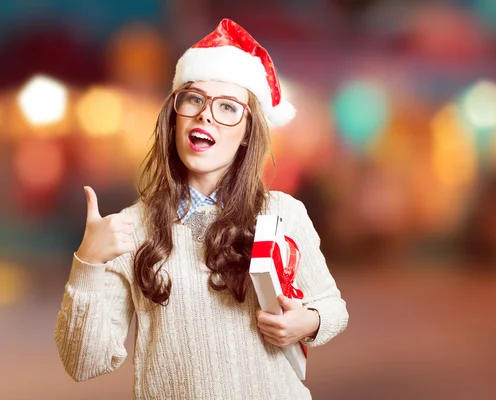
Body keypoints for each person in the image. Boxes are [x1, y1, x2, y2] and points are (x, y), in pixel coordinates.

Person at [54, 18, 349, 399]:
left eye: (228, 107)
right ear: (175, 117)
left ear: (247, 133)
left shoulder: (283, 213)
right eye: (194, 98)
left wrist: (307, 322)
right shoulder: (130, 229)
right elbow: (83, 364)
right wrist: (88, 264)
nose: (206, 114)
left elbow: (332, 307)